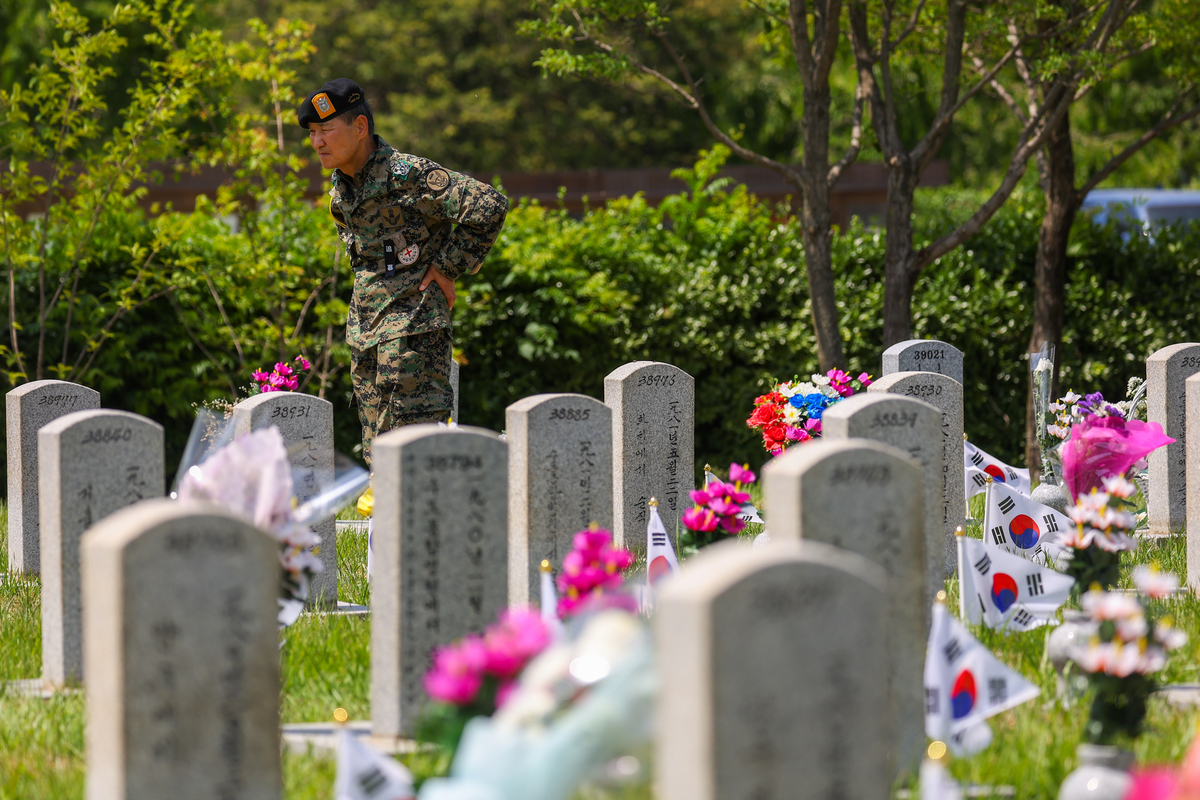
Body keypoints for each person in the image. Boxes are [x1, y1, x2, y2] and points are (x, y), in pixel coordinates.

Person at [298, 78, 508, 466]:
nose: (317, 143)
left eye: (326, 130)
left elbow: (490, 206)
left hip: (414, 332)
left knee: (416, 458)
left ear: (360, 128)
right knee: (378, 456)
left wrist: (446, 267)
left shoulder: (407, 174)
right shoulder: (342, 189)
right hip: (366, 335)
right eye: (313, 133)